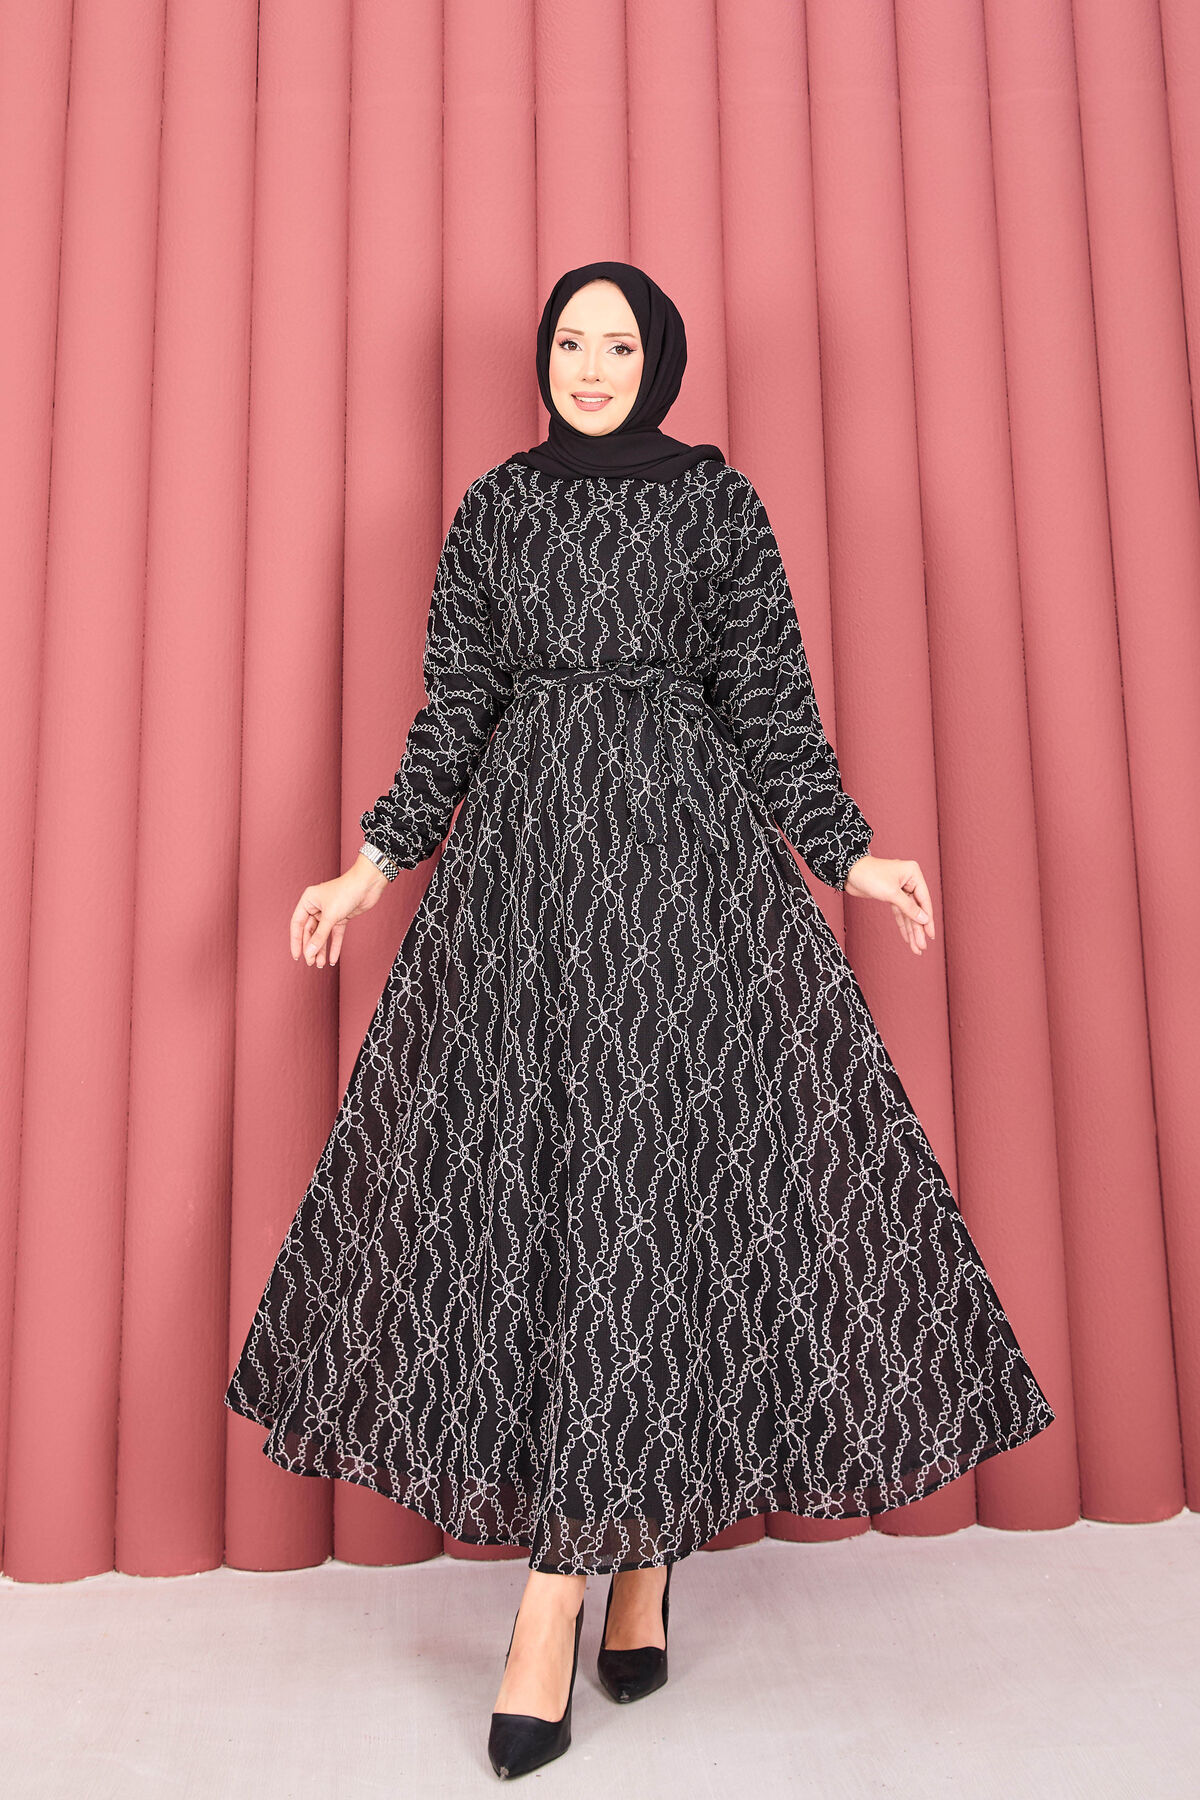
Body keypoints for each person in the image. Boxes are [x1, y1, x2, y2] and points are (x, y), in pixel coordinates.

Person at [224, 260, 1055, 1780]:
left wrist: (853, 855)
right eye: (570, 341)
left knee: (651, 1204)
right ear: (542, 358)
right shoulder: (497, 508)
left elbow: (771, 704)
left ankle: (565, 1594)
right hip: (525, 905)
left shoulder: (717, 506)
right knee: (555, 1202)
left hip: (686, 895)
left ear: (659, 359)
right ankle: (634, 1562)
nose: (591, 366)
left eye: (618, 344)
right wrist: (370, 864)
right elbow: (456, 707)